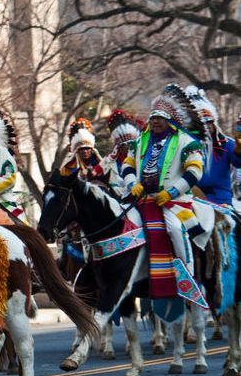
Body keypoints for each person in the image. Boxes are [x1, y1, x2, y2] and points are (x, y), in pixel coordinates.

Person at [121, 83, 209, 303]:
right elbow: (127, 164)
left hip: (174, 201)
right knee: (122, 228)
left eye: (160, 118)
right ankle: (127, 278)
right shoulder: (140, 141)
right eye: (153, 118)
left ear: (170, 121)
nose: (155, 122)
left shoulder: (187, 142)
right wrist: (133, 183)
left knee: (175, 230)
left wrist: (171, 192)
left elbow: (194, 171)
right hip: (142, 200)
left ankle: (185, 276)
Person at [186, 86, 241, 206]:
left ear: (214, 122)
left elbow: (238, 163)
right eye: (203, 123)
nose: (207, 126)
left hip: (220, 198)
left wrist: (239, 150)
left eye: (209, 122)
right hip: (192, 197)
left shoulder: (227, 143)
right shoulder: (187, 143)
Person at [93, 110, 141, 196]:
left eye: (131, 143)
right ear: (118, 146)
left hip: (139, 197)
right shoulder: (108, 162)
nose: (128, 146)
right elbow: (94, 175)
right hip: (115, 201)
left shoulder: (142, 158)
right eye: (124, 144)